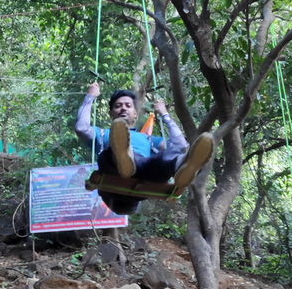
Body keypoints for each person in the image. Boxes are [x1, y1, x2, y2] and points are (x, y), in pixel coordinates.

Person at [74, 82, 214, 214]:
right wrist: (90, 96)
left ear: (135, 113)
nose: (123, 108)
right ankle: (122, 156)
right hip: (113, 181)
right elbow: (81, 128)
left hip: (143, 171)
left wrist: (164, 113)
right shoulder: (103, 134)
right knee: (109, 153)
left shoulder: (149, 139)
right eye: (118, 106)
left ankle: (183, 165)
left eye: (128, 105)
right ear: (111, 114)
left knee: (164, 158)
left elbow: (181, 145)